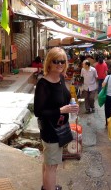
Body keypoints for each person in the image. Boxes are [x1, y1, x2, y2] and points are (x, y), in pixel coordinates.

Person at [34, 47, 79, 190]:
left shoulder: (60, 78)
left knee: (49, 164)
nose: (60, 64)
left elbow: (63, 97)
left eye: (62, 61)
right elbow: (38, 111)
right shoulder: (43, 84)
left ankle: (47, 186)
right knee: (52, 166)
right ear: (49, 62)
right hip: (50, 130)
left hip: (59, 128)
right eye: (56, 61)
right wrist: (61, 110)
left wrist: (72, 105)